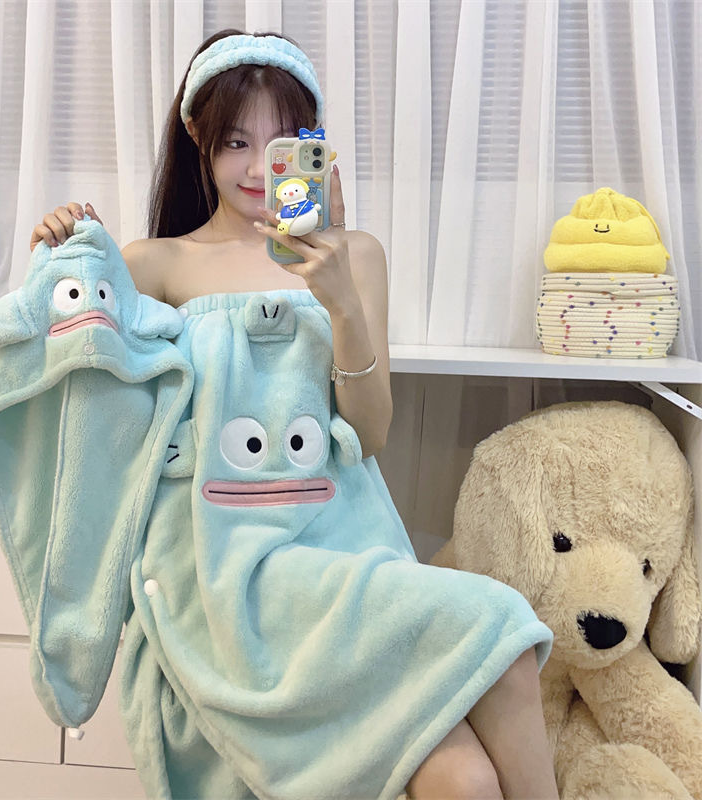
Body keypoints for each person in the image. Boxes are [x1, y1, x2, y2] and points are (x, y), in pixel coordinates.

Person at [29, 30, 559, 800]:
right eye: (236, 142)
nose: (256, 168)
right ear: (198, 139)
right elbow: (87, 407)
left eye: (280, 144)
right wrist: (60, 257)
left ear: (311, 149)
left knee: (473, 767)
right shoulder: (153, 264)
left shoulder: (354, 256)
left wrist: (340, 299)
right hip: (223, 566)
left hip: (343, 546)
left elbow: (369, 434)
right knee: (498, 654)